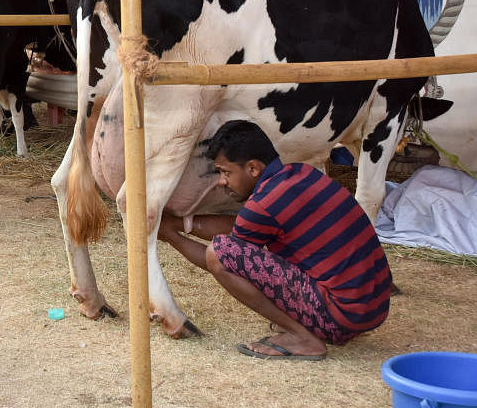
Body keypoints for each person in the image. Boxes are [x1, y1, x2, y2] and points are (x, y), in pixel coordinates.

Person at [158, 120, 392, 360]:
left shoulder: (263, 204)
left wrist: (169, 236)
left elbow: (224, 259)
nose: (221, 181)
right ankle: (309, 324)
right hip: (372, 309)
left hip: (343, 316)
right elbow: (241, 228)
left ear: (252, 168)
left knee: (217, 253)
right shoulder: (301, 174)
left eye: (226, 172)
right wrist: (179, 224)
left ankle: (302, 338)